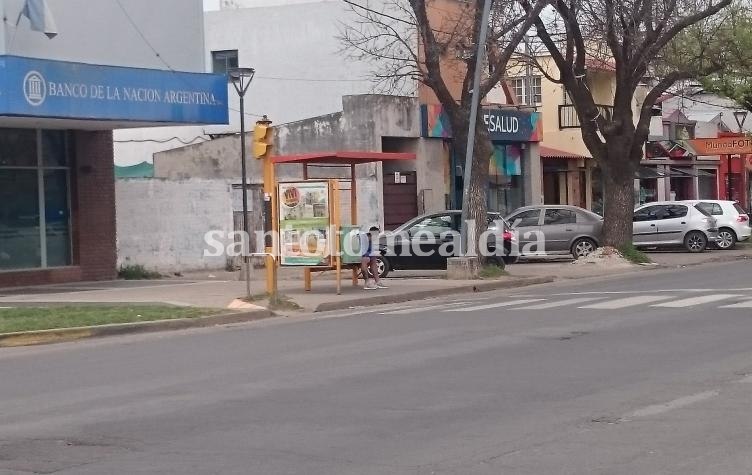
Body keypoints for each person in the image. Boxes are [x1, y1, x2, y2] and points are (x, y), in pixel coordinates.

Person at [360, 225, 388, 290]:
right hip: (358, 256)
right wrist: (370, 254)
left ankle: (377, 281)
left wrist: (374, 253)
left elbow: (370, 251)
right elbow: (361, 252)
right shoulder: (364, 239)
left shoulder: (372, 241)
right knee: (366, 259)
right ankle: (367, 282)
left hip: (366, 256)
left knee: (373, 259)